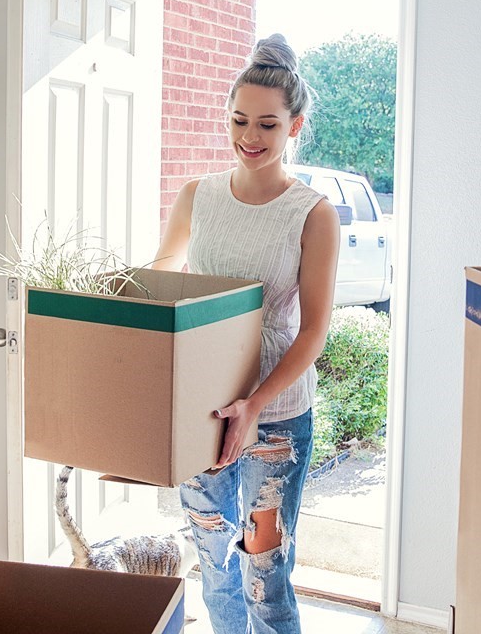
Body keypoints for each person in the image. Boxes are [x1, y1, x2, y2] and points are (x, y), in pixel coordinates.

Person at [153, 34, 340, 633]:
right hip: (203, 410)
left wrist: (255, 405)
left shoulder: (313, 213)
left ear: (295, 125)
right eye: (238, 120)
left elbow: (313, 332)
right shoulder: (196, 197)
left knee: (265, 576)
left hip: (275, 414)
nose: (249, 137)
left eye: (266, 123)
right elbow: (161, 280)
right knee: (214, 569)